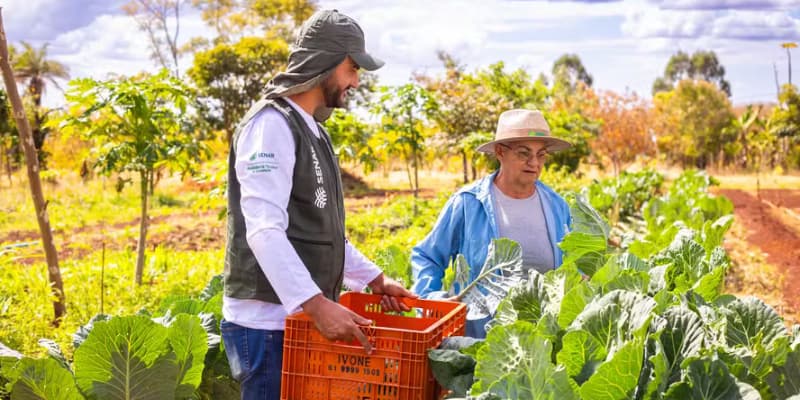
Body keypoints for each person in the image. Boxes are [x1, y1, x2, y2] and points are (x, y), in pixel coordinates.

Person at [221, 9, 414, 399]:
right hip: (266, 326)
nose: (356, 81)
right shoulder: (271, 126)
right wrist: (316, 305)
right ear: (325, 62)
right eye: (351, 68)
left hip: (297, 322)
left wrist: (375, 279)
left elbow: (322, 234)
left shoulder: (314, 131)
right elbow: (264, 231)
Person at [411, 109, 572, 338]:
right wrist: (432, 300)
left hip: (543, 345)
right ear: (500, 152)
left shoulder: (557, 206)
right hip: (479, 343)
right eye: (524, 153)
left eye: (541, 154)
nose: (534, 163)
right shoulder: (468, 203)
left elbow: (572, 267)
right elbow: (427, 256)